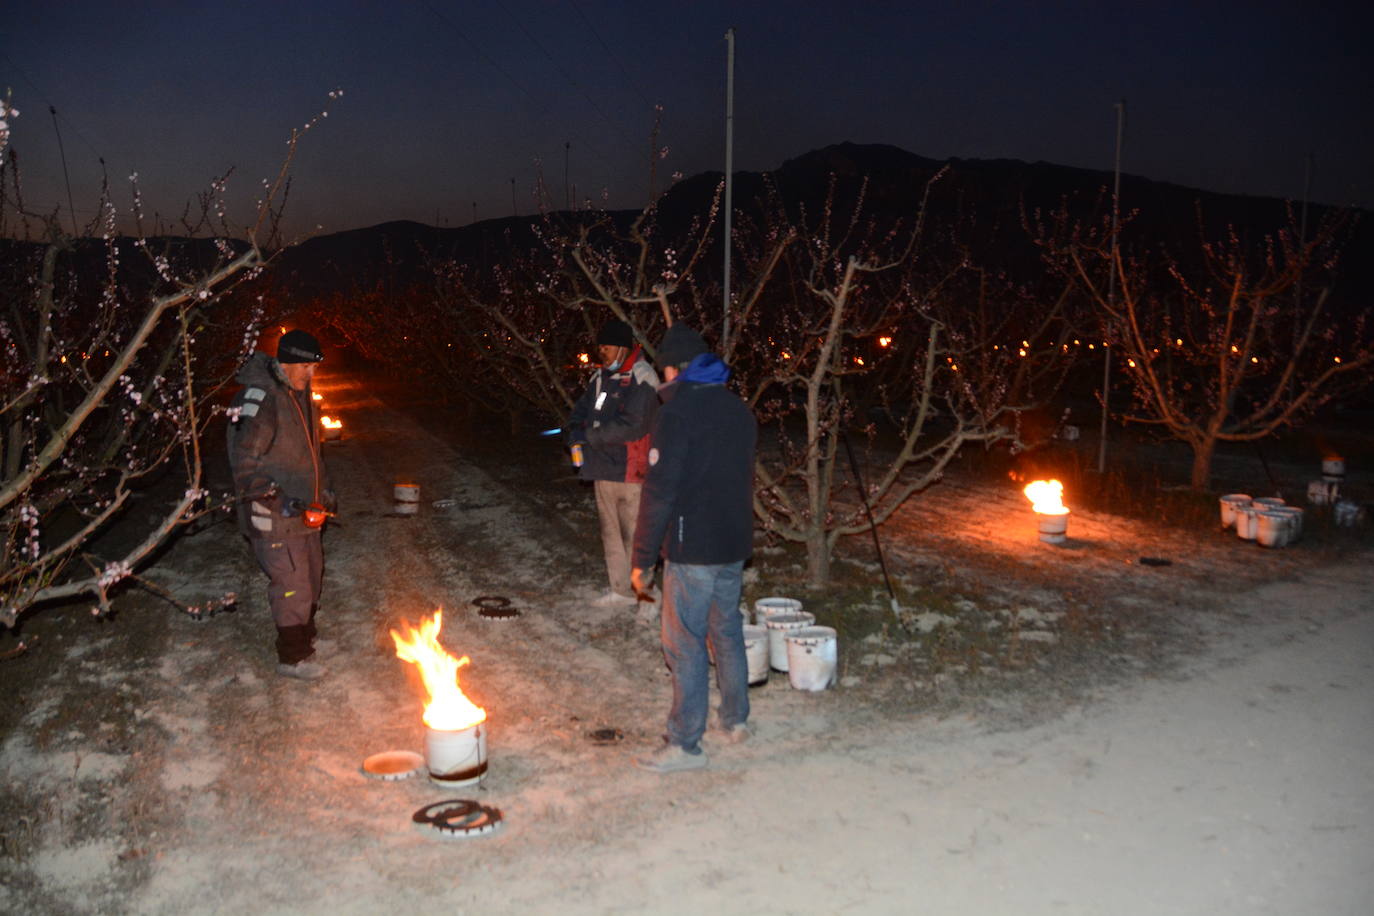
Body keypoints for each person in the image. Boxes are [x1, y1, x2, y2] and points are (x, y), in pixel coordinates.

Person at [631, 323, 756, 773]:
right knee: (725, 632)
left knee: (683, 642)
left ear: (671, 368)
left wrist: (643, 559)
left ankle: (684, 744)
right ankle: (736, 720)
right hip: (733, 544)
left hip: (694, 549)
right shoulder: (739, 410)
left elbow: (659, 492)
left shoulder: (678, 415)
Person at [226, 329, 337, 680]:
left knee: (311, 576)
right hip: (274, 515)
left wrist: (324, 495)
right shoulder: (261, 400)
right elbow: (245, 465)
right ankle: (292, 657)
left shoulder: (297, 394)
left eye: (315, 367)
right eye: (306, 367)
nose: (312, 374)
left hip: (306, 511)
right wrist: (282, 502)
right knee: (292, 584)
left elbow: (311, 456)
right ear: (286, 363)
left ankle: (305, 636)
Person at [567, 318, 660, 608]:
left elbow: (633, 424)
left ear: (622, 347)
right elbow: (582, 409)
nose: (601, 352)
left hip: (632, 470)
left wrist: (591, 436)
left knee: (637, 538)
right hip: (602, 468)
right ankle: (620, 591)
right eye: (600, 346)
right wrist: (574, 432)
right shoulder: (602, 378)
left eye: (606, 347)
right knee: (612, 536)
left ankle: (644, 596)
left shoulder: (642, 377)